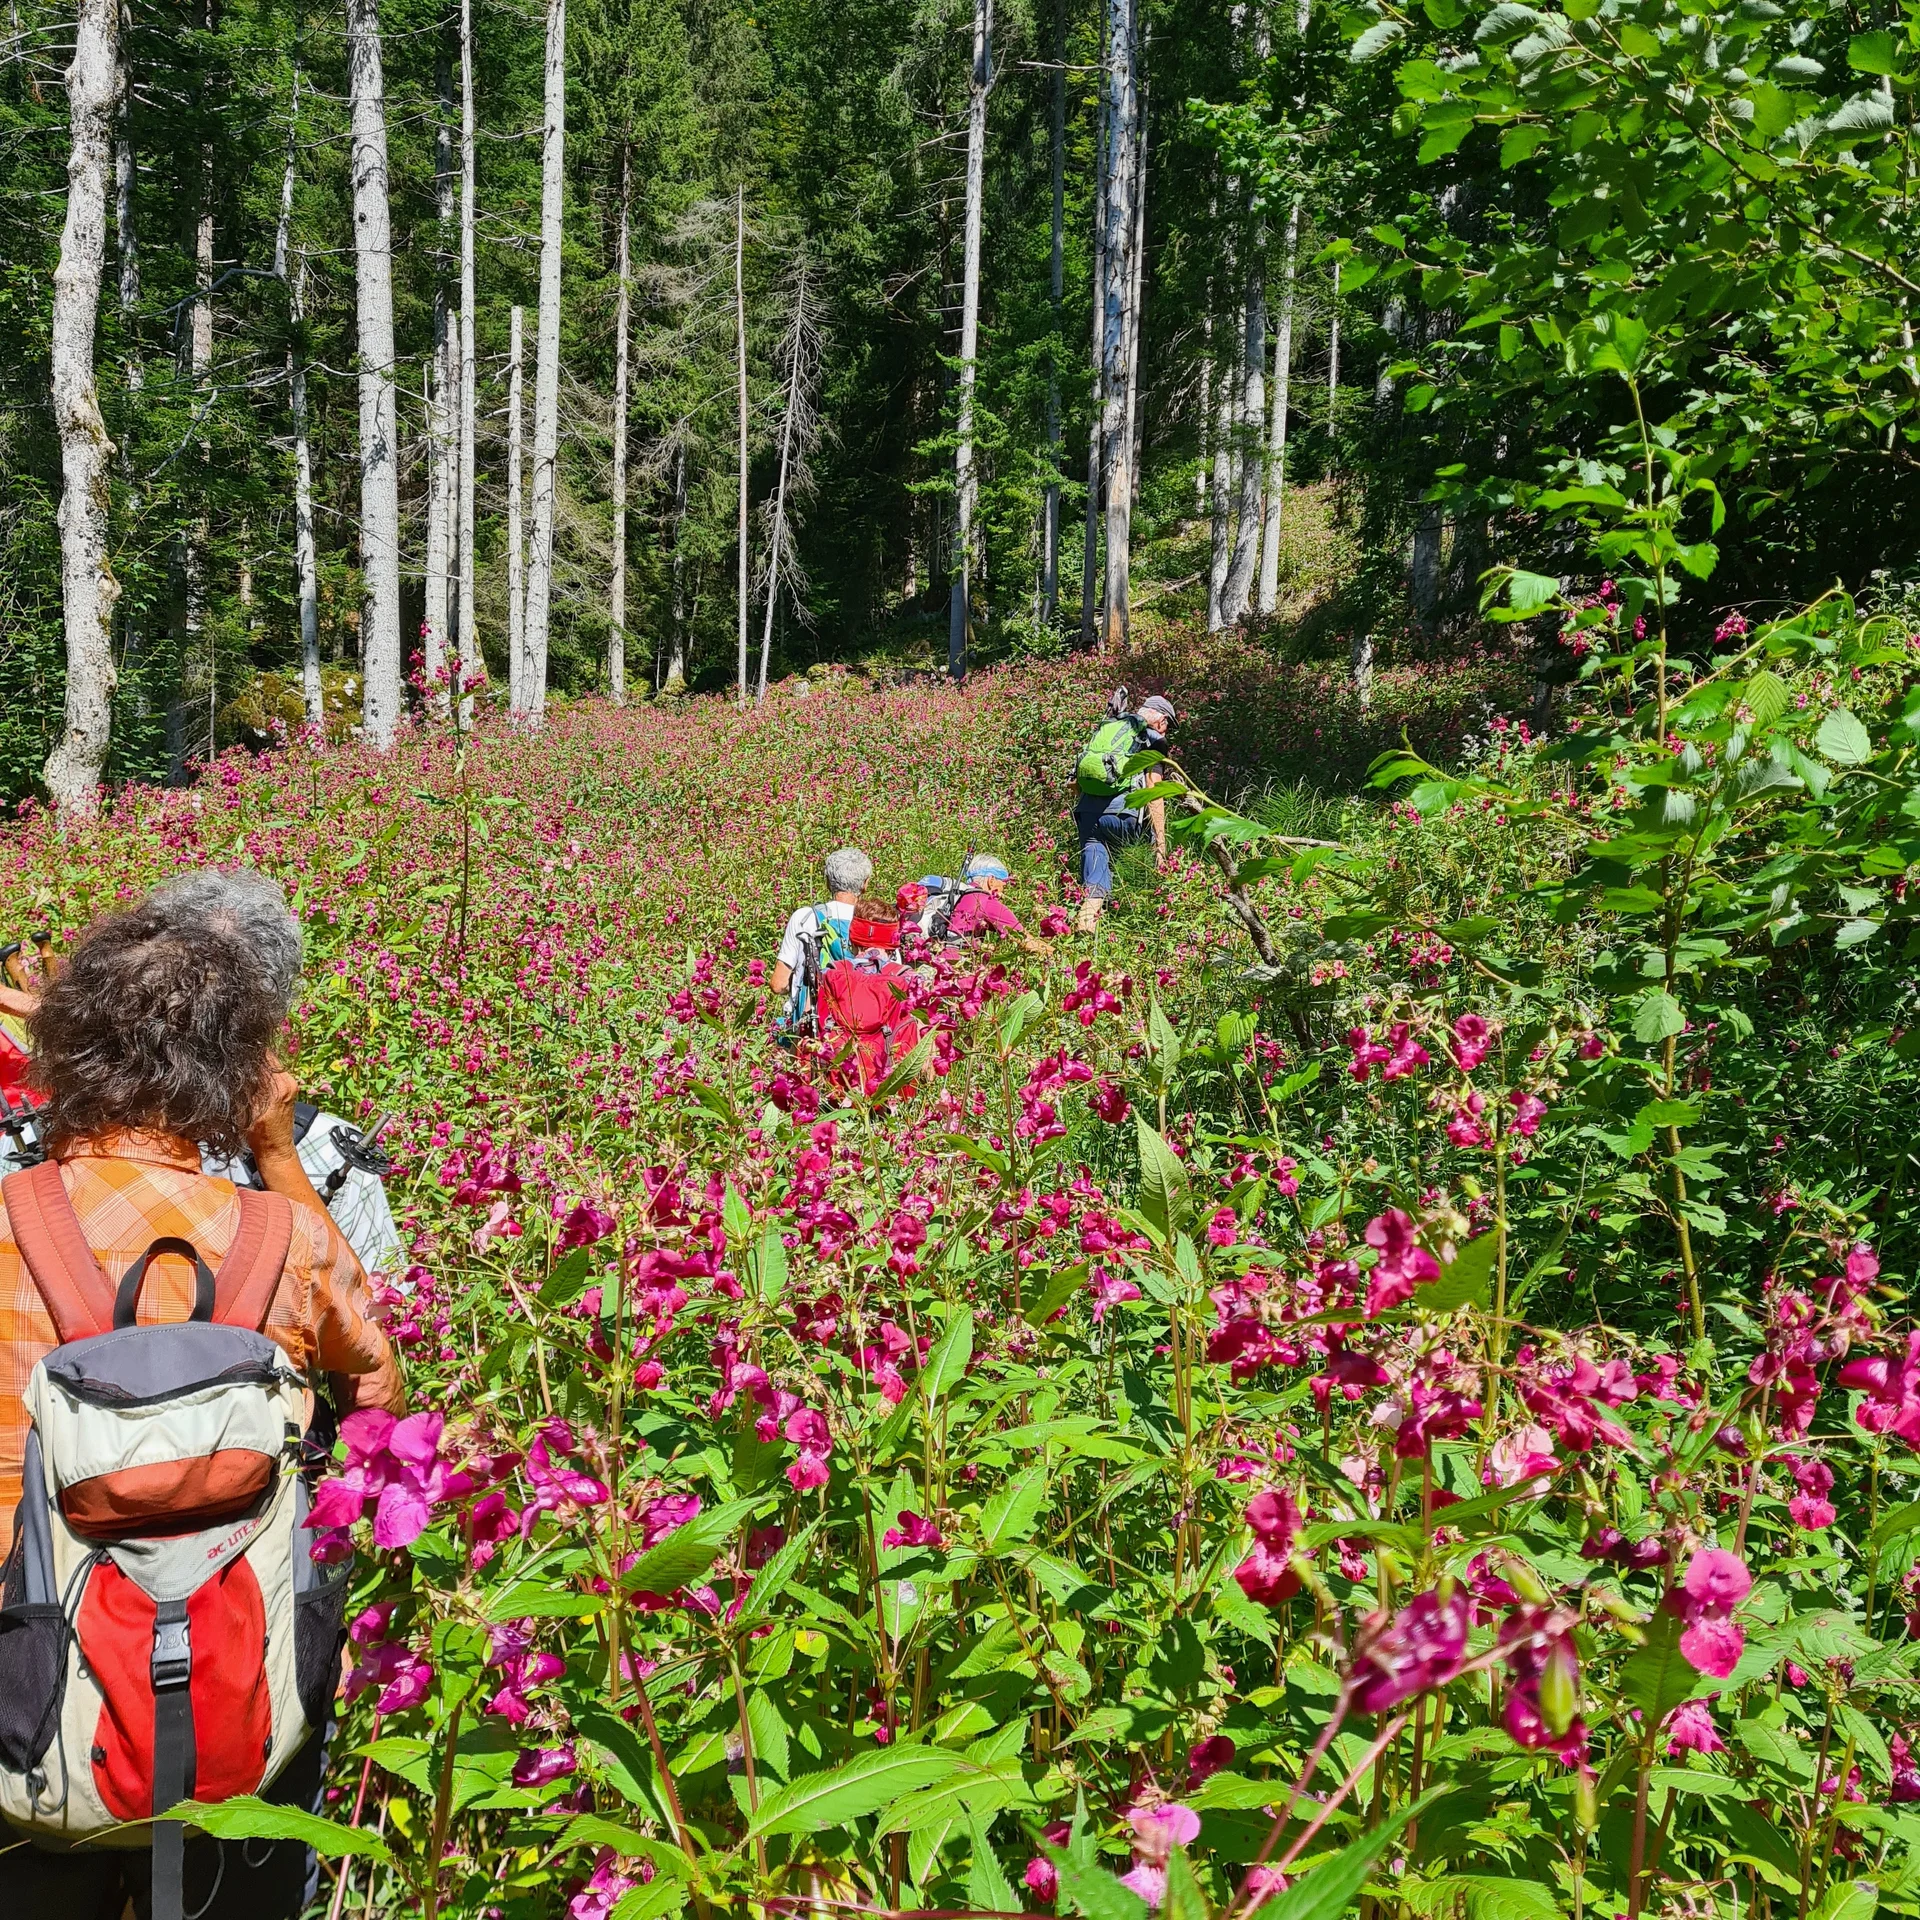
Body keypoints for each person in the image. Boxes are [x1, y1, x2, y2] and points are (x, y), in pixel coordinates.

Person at [2, 870, 405, 1920]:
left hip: (22, 1685)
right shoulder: (286, 1234)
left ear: (65, 1050)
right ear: (239, 1067)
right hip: (237, 1678)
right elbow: (379, 1388)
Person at [0, 877, 404, 1282]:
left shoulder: (27, 1147)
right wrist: (279, 1158)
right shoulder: (325, 1152)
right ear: (267, 1022)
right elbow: (374, 1319)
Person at [1073, 693, 1176, 933]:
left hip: (1088, 813)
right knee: (1146, 848)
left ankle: (1087, 922)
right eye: (1168, 726)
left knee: (1095, 856)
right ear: (1160, 721)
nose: (1166, 731)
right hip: (1124, 816)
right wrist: (1160, 844)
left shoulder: (1108, 729)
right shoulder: (1150, 740)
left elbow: (1077, 782)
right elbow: (1154, 793)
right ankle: (1154, 911)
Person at [770, 846, 872, 1031]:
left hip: (812, 1025)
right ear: (865, 884)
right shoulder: (874, 923)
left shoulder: (805, 917)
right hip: (861, 1026)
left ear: (827, 881)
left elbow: (778, 984)